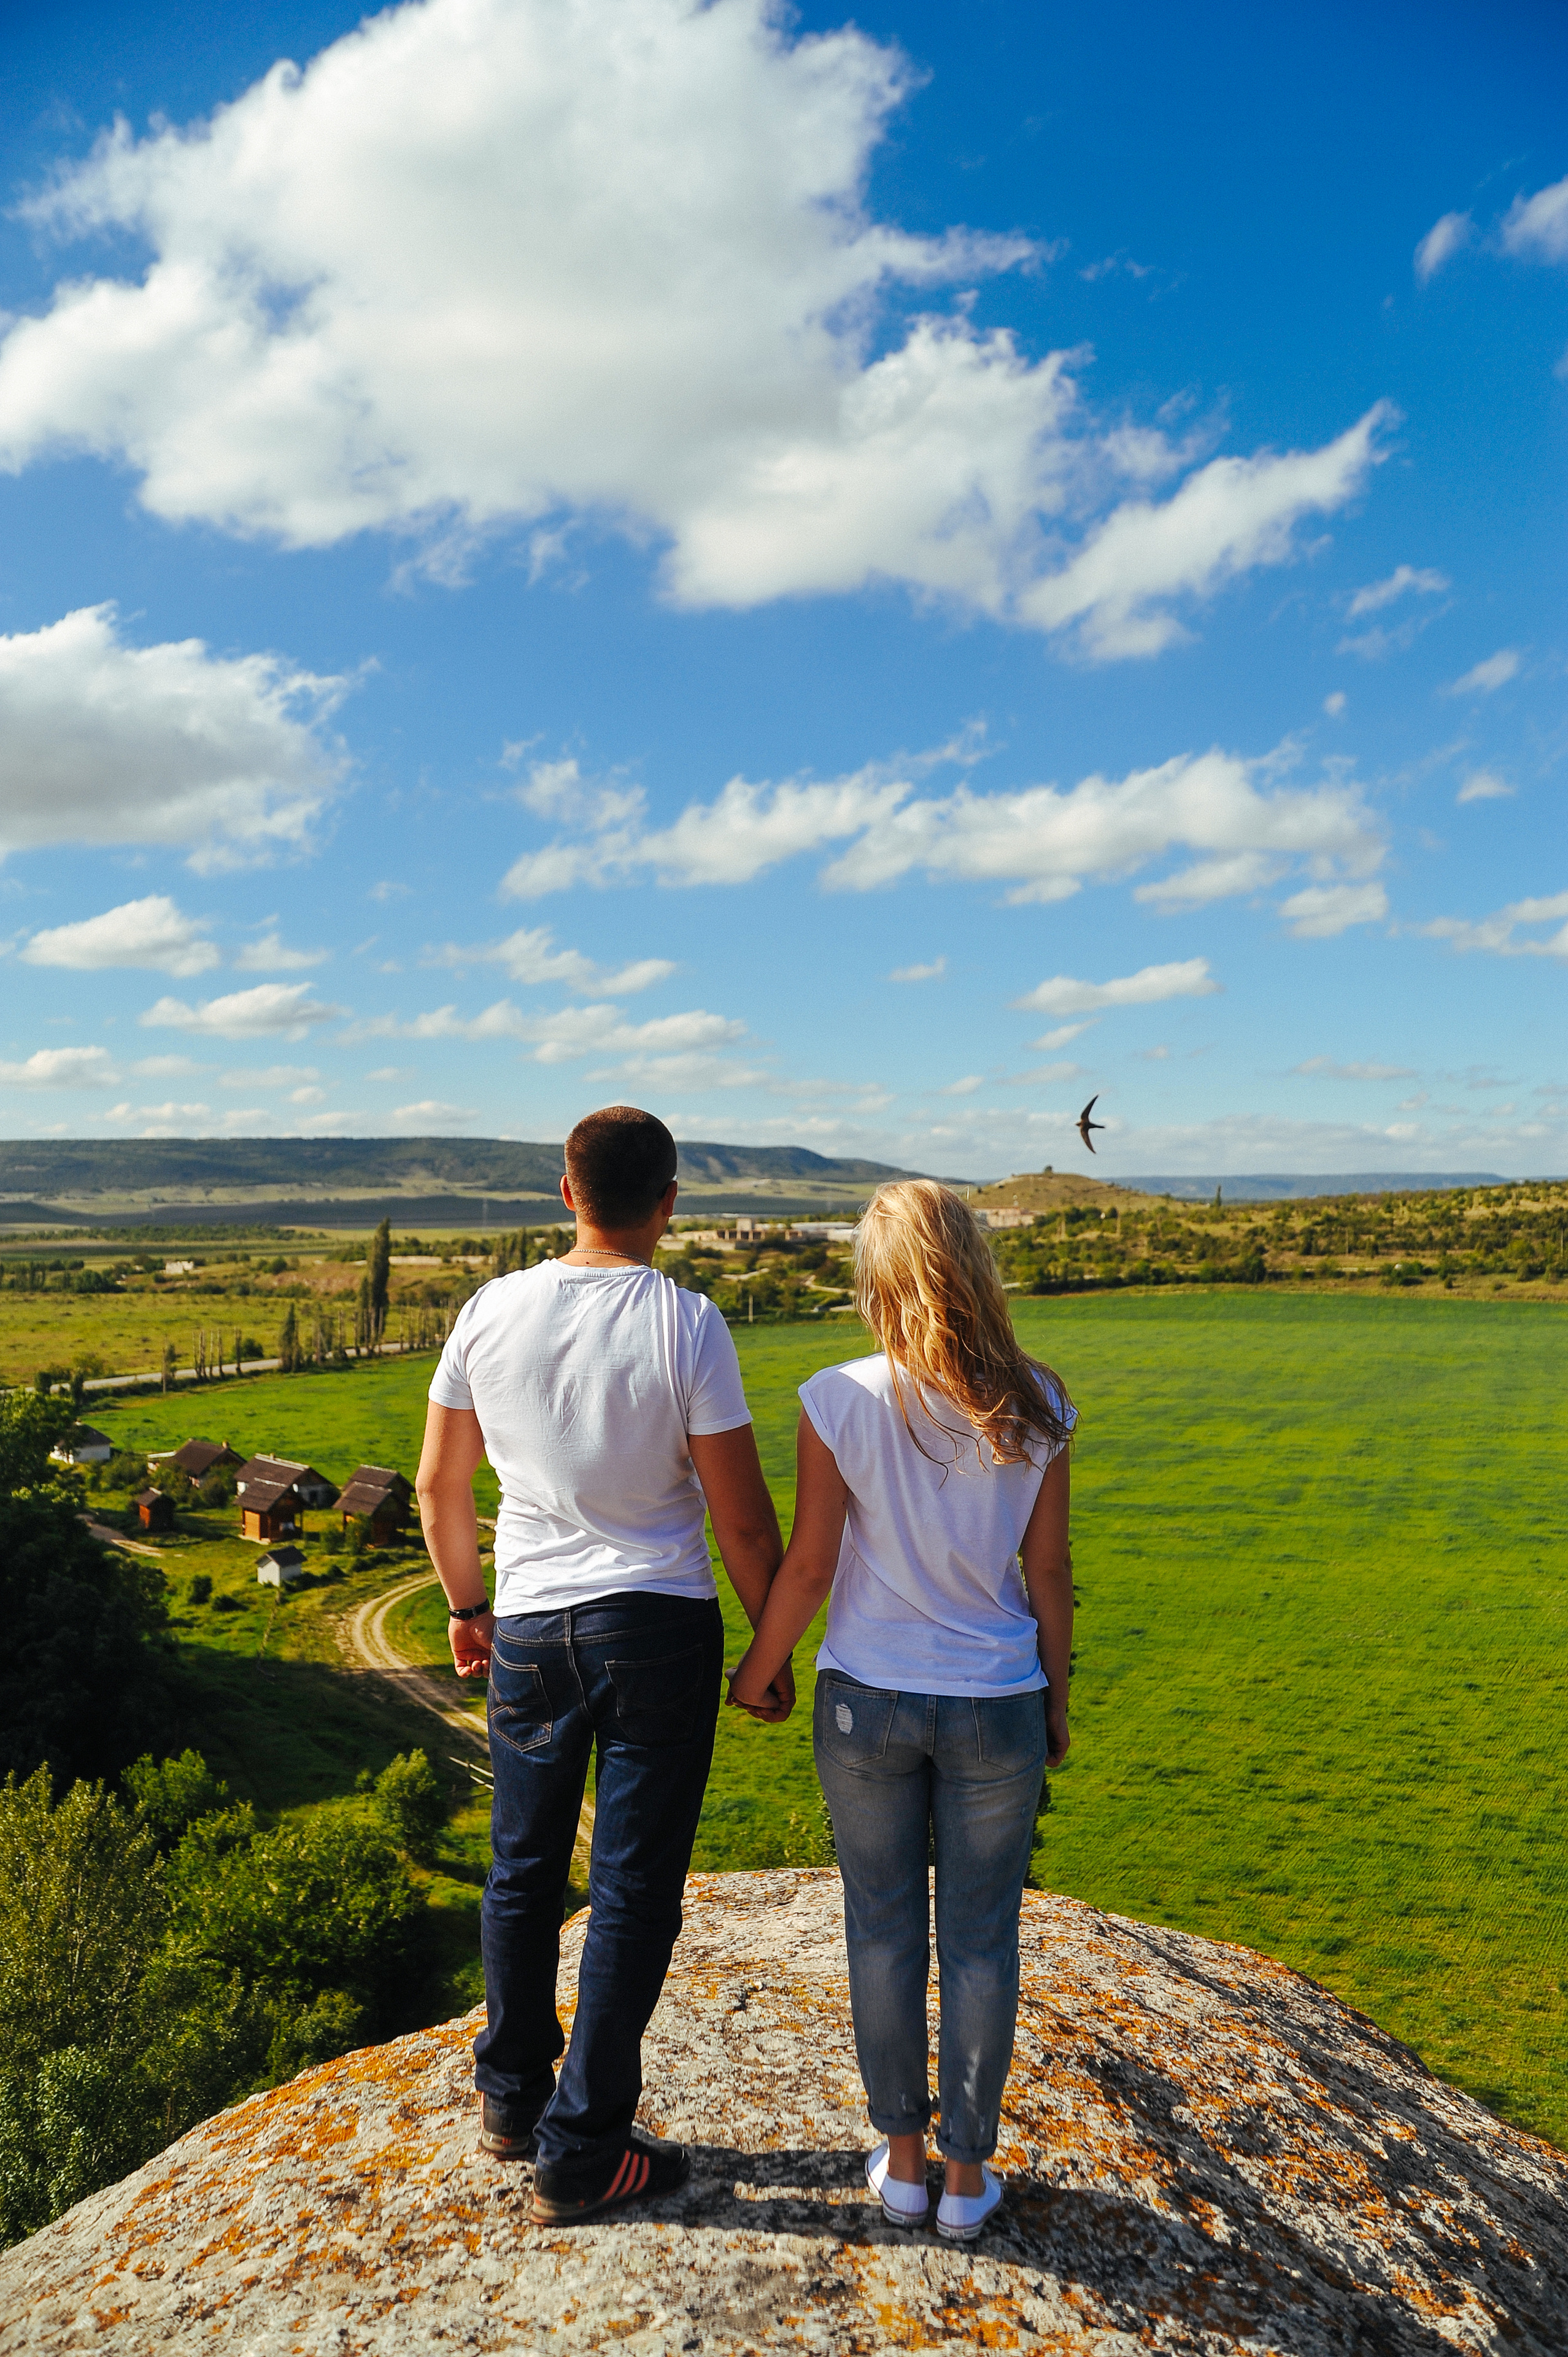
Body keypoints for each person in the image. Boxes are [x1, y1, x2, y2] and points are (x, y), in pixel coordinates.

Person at [415, 1105, 790, 2225]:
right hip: (659, 1630)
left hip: (529, 1625)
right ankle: (584, 2148)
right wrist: (769, 1650)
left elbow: (439, 1486)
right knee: (631, 1890)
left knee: (522, 1871)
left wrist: (469, 1605)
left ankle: (512, 2097)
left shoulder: (488, 1311)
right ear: (669, 1205)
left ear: (566, 1192)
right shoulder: (687, 1324)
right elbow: (743, 1522)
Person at [727, 1179, 1074, 2243]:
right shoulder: (1040, 1399)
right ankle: (969, 2177)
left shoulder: (839, 1396)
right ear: (974, 1266)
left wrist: (759, 1668)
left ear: (875, 1282)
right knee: (981, 1939)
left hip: (865, 1702)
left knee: (881, 1929)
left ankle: (905, 2161)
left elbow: (811, 1564)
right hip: (997, 1703)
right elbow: (1049, 1571)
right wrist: (1056, 1701)